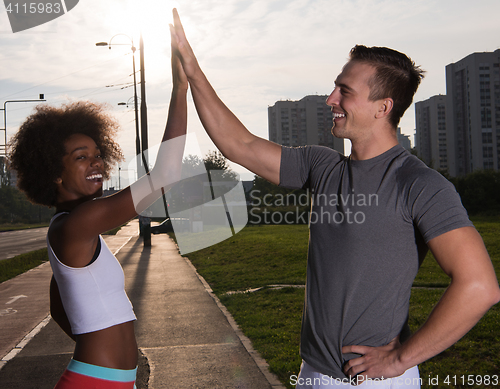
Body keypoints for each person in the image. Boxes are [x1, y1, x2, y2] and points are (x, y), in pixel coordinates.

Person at [169, 9, 500, 388]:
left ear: (383, 107)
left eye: (345, 91)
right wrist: (192, 72)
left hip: (374, 381)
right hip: (312, 373)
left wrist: (400, 360)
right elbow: (238, 144)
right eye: (335, 87)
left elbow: (479, 287)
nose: (331, 99)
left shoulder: (420, 184)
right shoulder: (321, 166)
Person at [8, 33, 188, 389]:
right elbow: (165, 175)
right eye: (80, 157)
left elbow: (61, 308)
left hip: (107, 379)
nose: (96, 162)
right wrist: (180, 88)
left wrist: (100, 348)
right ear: (53, 173)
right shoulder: (78, 224)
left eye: (96, 153)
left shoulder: (71, 226)